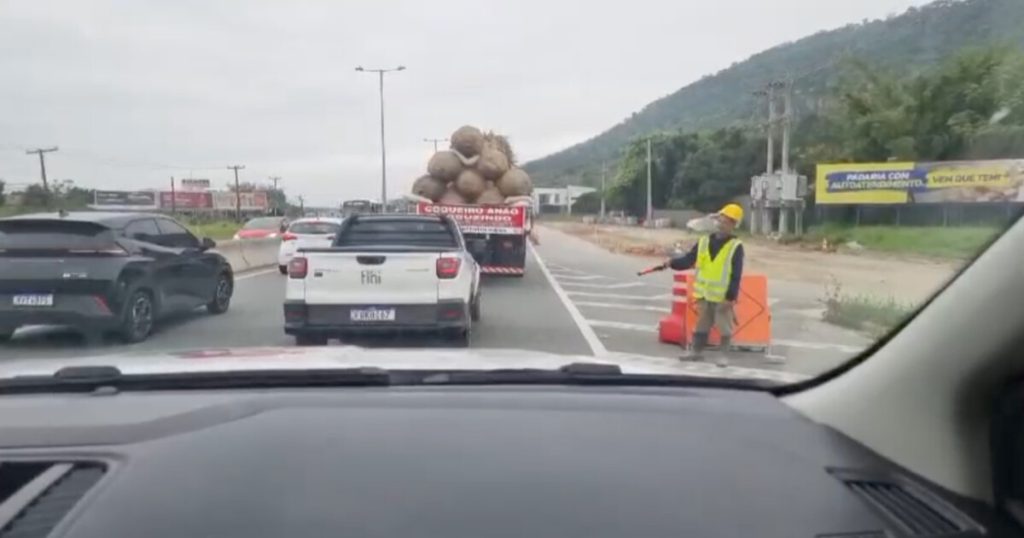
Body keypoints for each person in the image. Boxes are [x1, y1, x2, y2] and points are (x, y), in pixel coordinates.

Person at [660, 203, 745, 366]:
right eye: (721, 220)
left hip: (722, 298)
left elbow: (736, 274)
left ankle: (723, 356)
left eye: (727, 221)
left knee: (724, 328)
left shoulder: (736, 246)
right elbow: (689, 260)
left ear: (734, 225)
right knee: (702, 326)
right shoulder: (704, 241)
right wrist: (671, 263)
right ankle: (696, 352)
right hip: (704, 295)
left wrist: (730, 297)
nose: (722, 224)